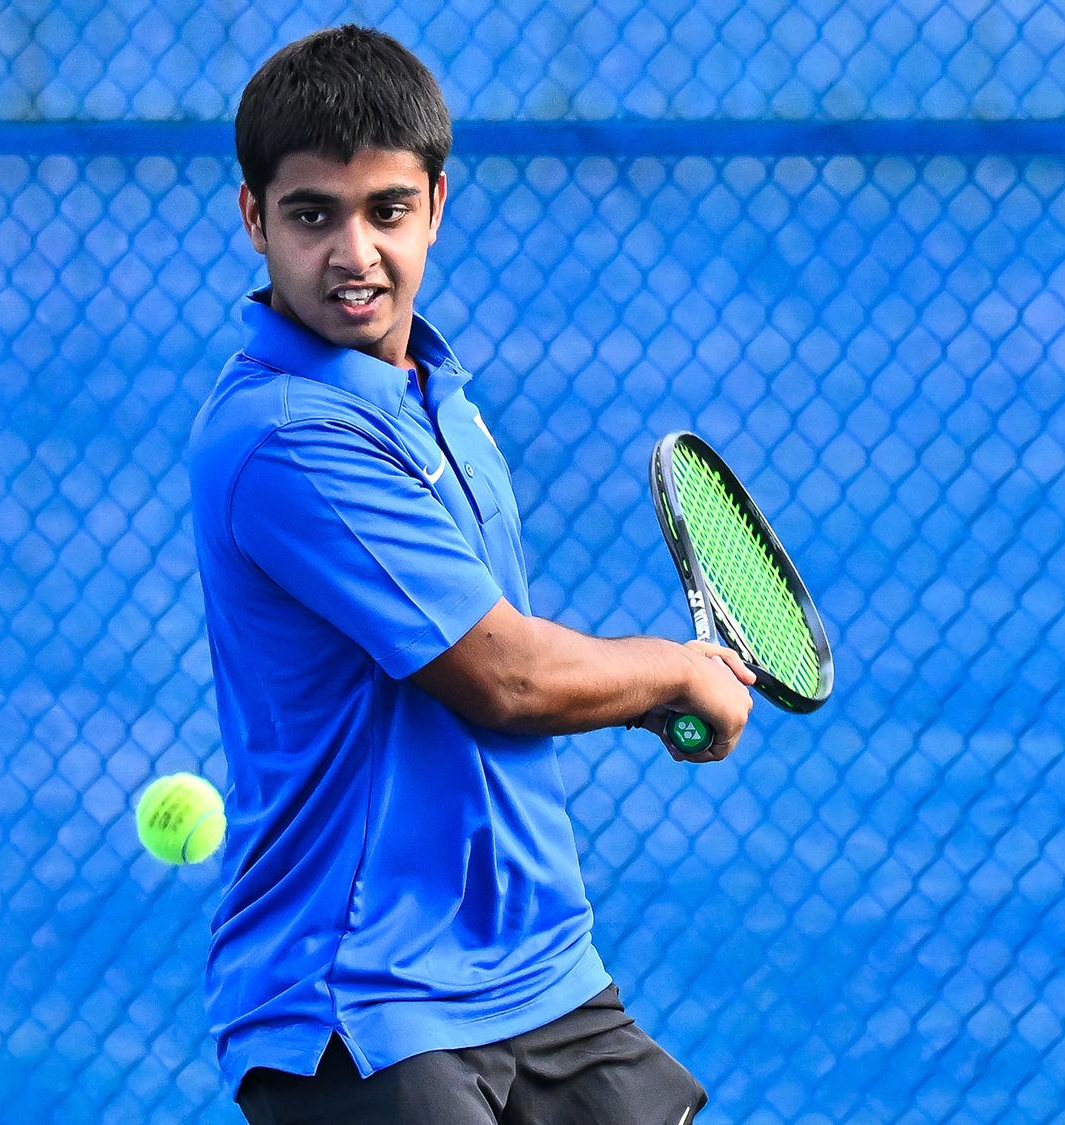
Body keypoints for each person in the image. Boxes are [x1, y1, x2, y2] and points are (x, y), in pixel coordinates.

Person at [186, 25, 756, 1125]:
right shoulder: (284, 436)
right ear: (254, 217)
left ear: (435, 205)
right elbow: (501, 675)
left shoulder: (431, 394)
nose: (355, 253)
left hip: (539, 965)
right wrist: (672, 675)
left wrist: (649, 685)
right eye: (313, 214)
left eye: (386, 211)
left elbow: (498, 649)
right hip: (363, 1000)